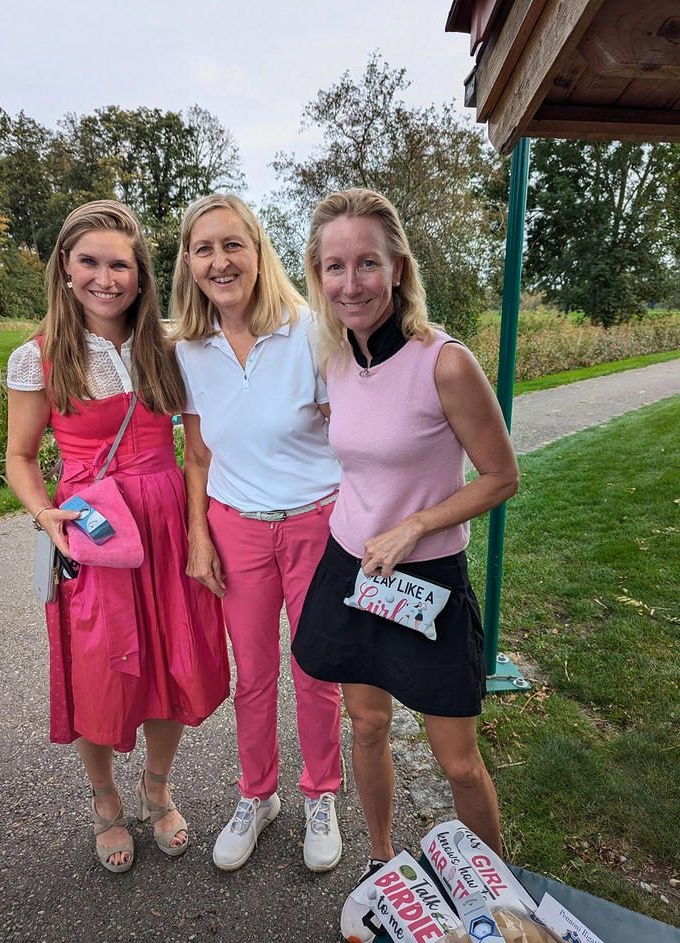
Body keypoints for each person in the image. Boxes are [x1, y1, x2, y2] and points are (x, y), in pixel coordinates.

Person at [291, 188, 520, 943]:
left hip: (426, 583)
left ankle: (496, 892)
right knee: (365, 724)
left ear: (398, 269)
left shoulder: (443, 361)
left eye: (366, 263)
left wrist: (415, 523)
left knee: (457, 762)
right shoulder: (334, 357)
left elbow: (500, 475)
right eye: (334, 265)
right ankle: (384, 859)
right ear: (317, 275)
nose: (350, 281)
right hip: (354, 572)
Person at [6, 200, 230, 873]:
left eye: (120, 265)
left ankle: (156, 788)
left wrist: (202, 530)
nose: (106, 277)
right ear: (66, 269)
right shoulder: (38, 356)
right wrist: (44, 512)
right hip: (95, 531)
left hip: (167, 522)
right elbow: (19, 456)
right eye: (90, 262)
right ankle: (105, 799)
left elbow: (200, 446)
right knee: (99, 670)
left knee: (175, 661)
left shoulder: (169, 345)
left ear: (141, 276)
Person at [171, 193, 343, 873]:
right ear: (189, 262)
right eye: (204, 248)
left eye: (232, 244)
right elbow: (198, 454)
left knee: (315, 669)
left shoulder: (308, 330)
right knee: (254, 674)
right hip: (236, 529)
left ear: (258, 250)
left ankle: (322, 793)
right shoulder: (189, 346)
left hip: (315, 526)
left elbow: (348, 435)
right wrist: (197, 535)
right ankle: (258, 793)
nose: (220, 260)